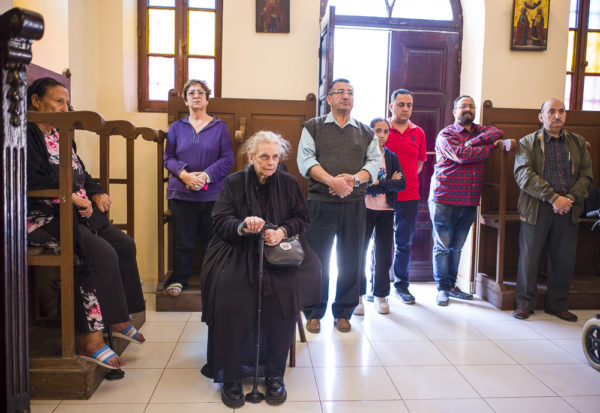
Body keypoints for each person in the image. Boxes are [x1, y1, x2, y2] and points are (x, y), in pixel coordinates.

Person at [26, 77, 146, 369]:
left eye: (67, 102)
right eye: (58, 101)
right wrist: (68, 194)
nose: (65, 108)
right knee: (97, 253)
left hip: (74, 211)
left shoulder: (61, 133)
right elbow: (30, 178)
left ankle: (118, 318)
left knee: (123, 244)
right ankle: (89, 339)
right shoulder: (25, 134)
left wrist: (96, 191)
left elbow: (81, 172)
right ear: (36, 101)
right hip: (41, 216)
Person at [200, 131, 321, 408]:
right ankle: (231, 375)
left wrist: (282, 231)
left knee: (284, 293)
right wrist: (243, 226)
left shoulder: (289, 183)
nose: (271, 162)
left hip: (278, 251)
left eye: (275, 157)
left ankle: (274, 374)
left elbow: (301, 219)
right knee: (230, 291)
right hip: (237, 249)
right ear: (251, 157)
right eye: (264, 156)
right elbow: (220, 220)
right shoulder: (233, 183)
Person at [297, 78, 381, 333]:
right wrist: (332, 181)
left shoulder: (366, 132)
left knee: (352, 259)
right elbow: (306, 161)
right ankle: (313, 312)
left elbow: (373, 164)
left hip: (354, 205)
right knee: (316, 259)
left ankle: (344, 312)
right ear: (329, 98)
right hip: (320, 203)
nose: (346, 96)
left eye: (350, 92)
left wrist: (353, 180)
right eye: (340, 92)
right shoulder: (313, 127)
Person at [512, 98, 592, 321]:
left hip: (568, 207)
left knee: (563, 259)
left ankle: (557, 304)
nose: (557, 116)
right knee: (529, 258)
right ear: (541, 117)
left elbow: (586, 177)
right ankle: (524, 303)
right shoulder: (528, 142)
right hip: (536, 207)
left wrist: (569, 199)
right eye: (551, 111)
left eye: (562, 111)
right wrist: (553, 197)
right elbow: (523, 174)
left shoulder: (578, 142)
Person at [429, 95, 504, 306]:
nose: (468, 109)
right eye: (463, 106)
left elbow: (498, 132)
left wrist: (473, 142)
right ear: (455, 111)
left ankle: (452, 287)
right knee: (443, 247)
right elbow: (462, 155)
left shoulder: (480, 131)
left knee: (457, 247)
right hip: (444, 197)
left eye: (471, 106)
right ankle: (442, 289)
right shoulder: (446, 134)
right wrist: (489, 148)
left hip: (469, 199)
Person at [163, 79, 234, 296]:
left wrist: (205, 176)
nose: (196, 96)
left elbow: (228, 158)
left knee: (212, 241)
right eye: (191, 93)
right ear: (185, 100)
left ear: (207, 99)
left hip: (212, 195)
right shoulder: (177, 127)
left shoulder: (220, 127)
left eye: (201, 92)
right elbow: (168, 158)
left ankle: (213, 280)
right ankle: (179, 279)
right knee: (183, 241)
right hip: (181, 193)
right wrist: (185, 175)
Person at [354, 117, 405, 315]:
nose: (382, 135)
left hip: (386, 211)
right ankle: (358, 294)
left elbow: (401, 184)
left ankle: (381, 294)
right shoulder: (362, 156)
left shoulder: (391, 157)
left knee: (383, 254)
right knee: (360, 252)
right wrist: (386, 183)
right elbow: (360, 185)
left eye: (385, 131)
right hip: (365, 210)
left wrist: (378, 183)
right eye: (377, 131)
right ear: (370, 132)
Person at [384, 89, 427, 305]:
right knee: (380, 242)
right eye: (401, 104)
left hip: (409, 195)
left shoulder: (418, 132)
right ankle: (377, 284)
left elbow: (418, 165)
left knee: (403, 243)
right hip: (383, 195)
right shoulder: (382, 129)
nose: (405, 108)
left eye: (409, 105)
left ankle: (401, 285)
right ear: (391, 106)